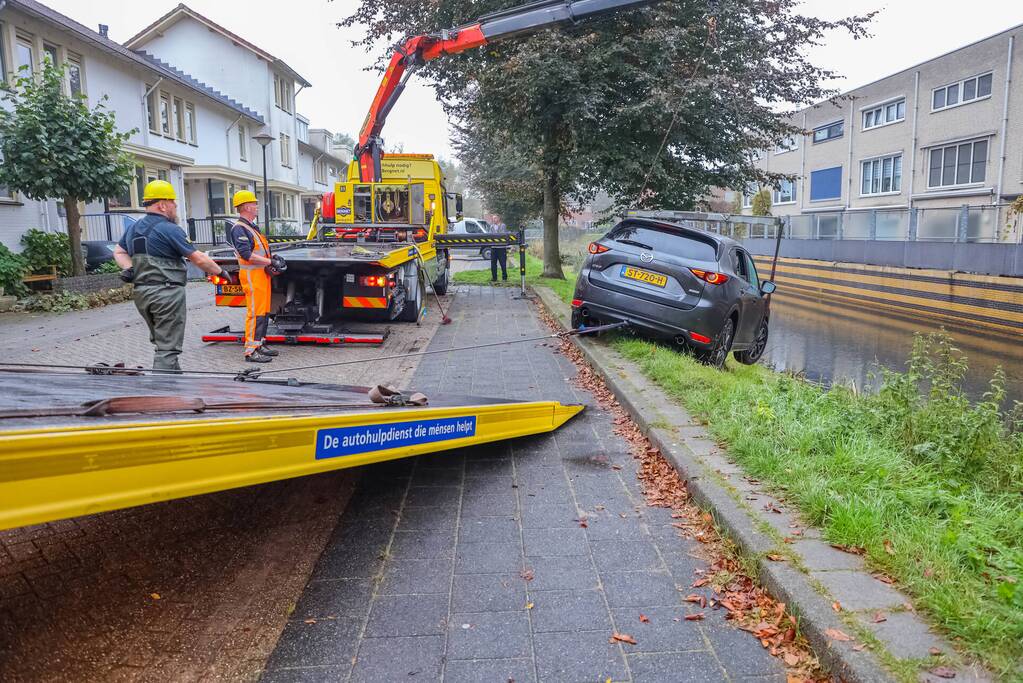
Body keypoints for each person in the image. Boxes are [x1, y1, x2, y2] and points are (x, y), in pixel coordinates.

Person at [113, 179, 228, 372]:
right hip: (166, 294)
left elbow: (118, 251)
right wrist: (221, 272)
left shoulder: (133, 228)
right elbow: (198, 258)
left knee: (164, 342)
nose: (175, 207)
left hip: (142, 294)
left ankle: (176, 381)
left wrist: (130, 268)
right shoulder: (170, 229)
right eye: (174, 203)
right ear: (163, 205)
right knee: (167, 348)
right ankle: (163, 393)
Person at [227, 190, 286, 363]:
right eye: (254, 203)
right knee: (255, 314)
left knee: (264, 312)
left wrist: (270, 260)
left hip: (260, 276)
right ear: (246, 207)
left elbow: (256, 251)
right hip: (253, 277)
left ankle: (259, 344)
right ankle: (250, 351)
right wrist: (269, 262)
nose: (257, 206)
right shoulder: (239, 228)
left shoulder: (251, 227)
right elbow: (246, 254)